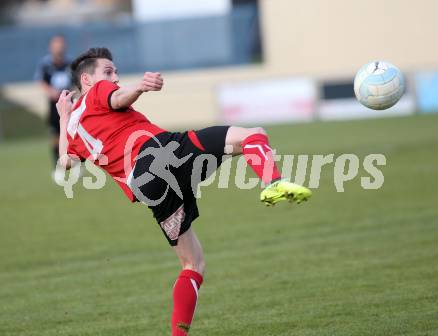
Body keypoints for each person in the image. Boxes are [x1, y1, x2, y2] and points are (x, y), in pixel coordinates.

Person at [56, 47, 312, 336]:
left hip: (148, 188)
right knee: (254, 134)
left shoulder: (74, 127)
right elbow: (118, 96)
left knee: (193, 263)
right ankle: (273, 183)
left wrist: (63, 117)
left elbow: (66, 161)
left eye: (114, 72)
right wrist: (139, 86)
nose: (114, 77)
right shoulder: (98, 92)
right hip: (158, 155)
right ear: (87, 80)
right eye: (108, 71)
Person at [34, 35, 73, 182]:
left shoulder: (70, 63)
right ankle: (57, 167)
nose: (59, 47)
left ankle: (76, 165)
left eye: (61, 44)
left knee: (73, 135)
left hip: (70, 105)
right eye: (56, 45)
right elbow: (40, 80)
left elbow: (77, 80)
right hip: (54, 106)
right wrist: (51, 91)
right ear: (51, 47)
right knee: (56, 137)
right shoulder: (45, 64)